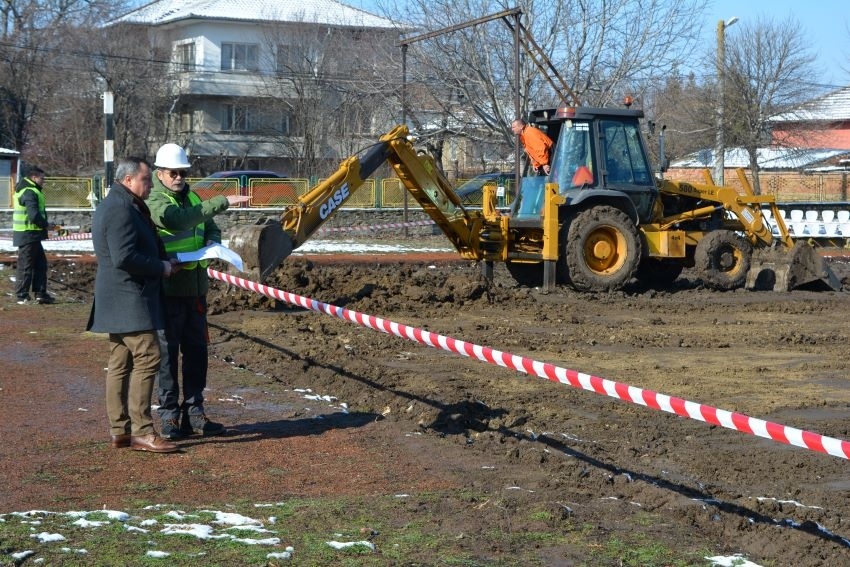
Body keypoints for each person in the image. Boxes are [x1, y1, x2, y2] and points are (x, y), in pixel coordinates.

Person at [148, 143, 249, 440]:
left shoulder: (191, 195)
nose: (179, 177)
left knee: (197, 354)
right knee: (167, 357)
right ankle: (169, 418)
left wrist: (212, 243)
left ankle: (195, 414)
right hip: (168, 290)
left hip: (195, 290)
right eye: (174, 172)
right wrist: (223, 200)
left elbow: (210, 226)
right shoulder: (155, 199)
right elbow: (176, 221)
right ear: (160, 173)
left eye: (183, 172)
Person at [87, 157, 179, 454]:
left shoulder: (120, 204)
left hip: (121, 297)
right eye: (146, 180)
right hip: (128, 297)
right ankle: (141, 431)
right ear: (128, 180)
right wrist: (161, 268)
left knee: (120, 363)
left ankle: (121, 432)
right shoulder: (120, 209)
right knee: (150, 356)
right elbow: (124, 257)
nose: (150, 185)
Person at [12, 165, 55, 304]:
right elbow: (33, 215)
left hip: (32, 234)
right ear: (34, 177)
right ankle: (22, 295)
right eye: (42, 178)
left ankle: (40, 293)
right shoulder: (29, 191)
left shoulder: (30, 190)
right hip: (28, 234)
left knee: (40, 264)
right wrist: (46, 224)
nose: (44, 181)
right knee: (26, 265)